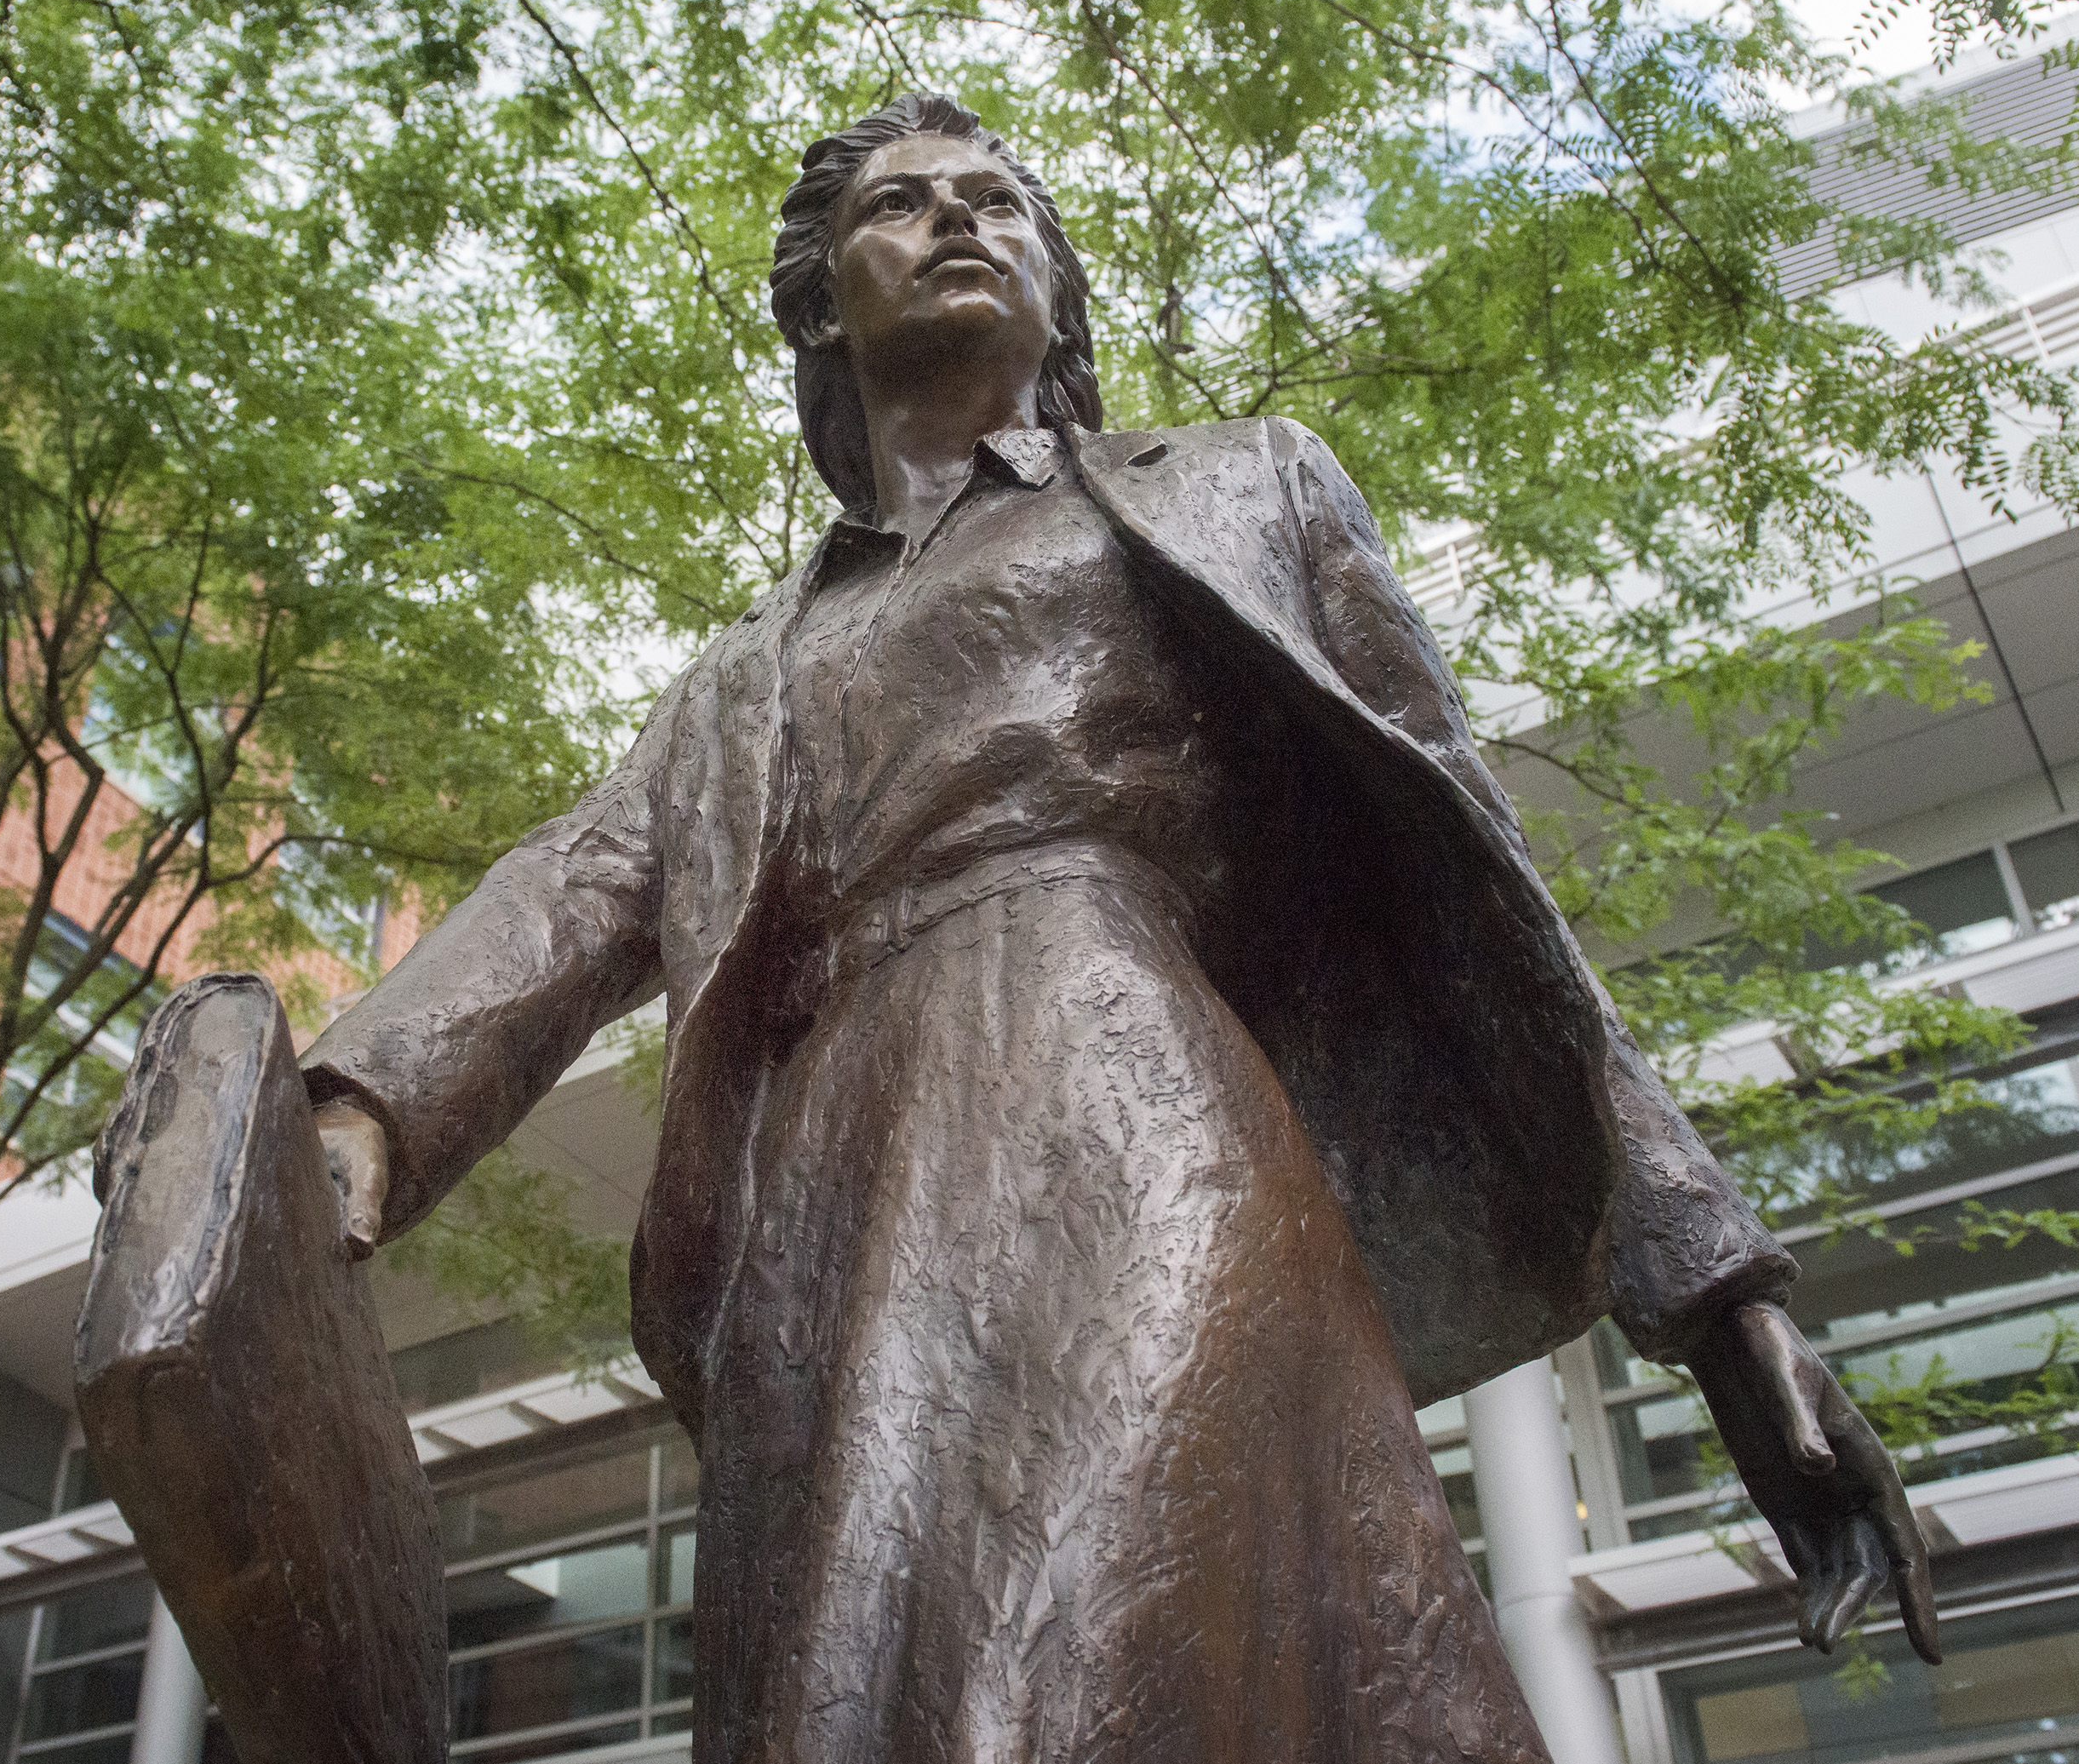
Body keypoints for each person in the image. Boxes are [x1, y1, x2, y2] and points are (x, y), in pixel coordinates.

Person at [295, 93, 1935, 1761]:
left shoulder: (1235, 490)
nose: (956, 221)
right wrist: (359, 1105)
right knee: (864, 1691)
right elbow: (569, 884)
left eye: (996, 201)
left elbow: (1494, 910)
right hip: (830, 1217)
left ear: (1055, 287)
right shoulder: (741, 677)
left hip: (1139, 1114)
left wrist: (1725, 1305)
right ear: (815, 305)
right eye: (900, 205)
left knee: (1090, 1635)